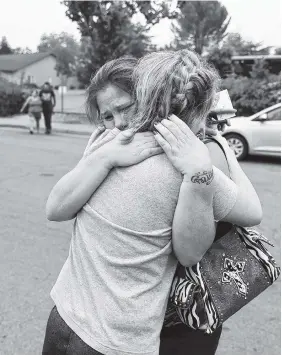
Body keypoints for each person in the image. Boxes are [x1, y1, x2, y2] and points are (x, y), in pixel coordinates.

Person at [43, 53, 262, 355]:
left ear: (143, 95)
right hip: (117, 343)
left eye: (124, 108)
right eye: (108, 115)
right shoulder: (188, 164)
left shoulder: (104, 142)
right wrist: (220, 147)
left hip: (64, 318)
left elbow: (55, 209)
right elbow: (249, 214)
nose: (118, 124)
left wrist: (105, 157)